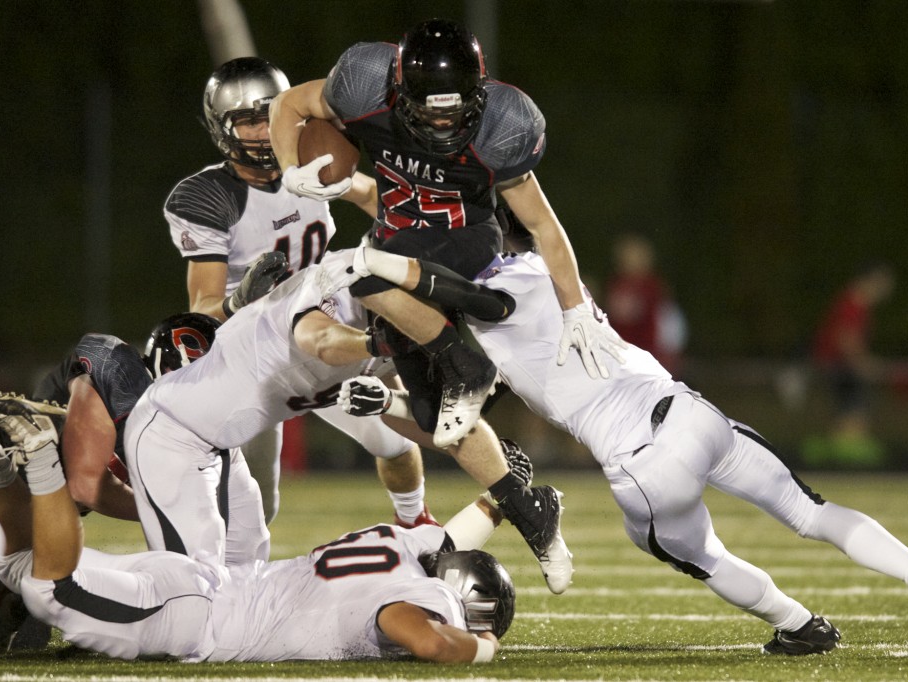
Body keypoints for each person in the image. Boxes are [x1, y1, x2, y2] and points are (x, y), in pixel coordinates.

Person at [338, 246, 908, 655]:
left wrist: (377, 275)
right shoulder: (545, 272)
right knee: (813, 512)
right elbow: (467, 418)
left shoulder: (496, 301)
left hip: (645, 466)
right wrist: (395, 401)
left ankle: (800, 624)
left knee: (706, 557)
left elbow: (459, 321)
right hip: (693, 413)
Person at [268, 18, 626, 451]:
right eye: (428, 112)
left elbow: (541, 224)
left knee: (363, 272)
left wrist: (576, 308)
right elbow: (287, 104)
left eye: (452, 112)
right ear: (398, 92)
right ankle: (481, 372)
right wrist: (290, 168)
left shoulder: (503, 124)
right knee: (430, 417)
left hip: (465, 237)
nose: (441, 124)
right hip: (396, 241)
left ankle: (474, 348)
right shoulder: (364, 85)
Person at [123, 249, 572, 593]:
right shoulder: (342, 278)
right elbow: (318, 339)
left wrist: (509, 491)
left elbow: (443, 427)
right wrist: (378, 344)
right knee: (190, 593)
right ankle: (68, 597)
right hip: (174, 431)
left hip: (223, 444)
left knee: (243, 583)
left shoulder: (392, 330)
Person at [0, 403, 524, 663]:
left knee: (19, 569)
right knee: (51, 585)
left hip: (208, 581)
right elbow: (427, 637)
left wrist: (501, 502)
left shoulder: (403, 544)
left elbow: (450, 541)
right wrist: (483, 646)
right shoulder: (423, 596)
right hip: (194, 619)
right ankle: (38, 456)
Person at [165, 56, 430, 528]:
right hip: (254, 353)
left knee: (396, 439)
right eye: (248, 121)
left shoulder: (305, 166)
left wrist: (365, 195)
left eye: (270, 117)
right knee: (257, 502)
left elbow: (381, 202)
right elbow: (201, 312)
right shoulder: (207, 196)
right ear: (221, 128)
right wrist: (240, 298)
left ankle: (417, 525)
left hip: (322, 326)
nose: (264, 131)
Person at [0, 312, 219, 654]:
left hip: (26, 497)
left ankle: (19, 599)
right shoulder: (120, 377)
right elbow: (88, 485)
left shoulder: (161, 415)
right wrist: (165, 509)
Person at [807, 261, 896, 468]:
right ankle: (844, 460)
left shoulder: (855, 304)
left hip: (838, 365)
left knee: (849, 411)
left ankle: (839, 454)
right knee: (854, 412)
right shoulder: (854, 304)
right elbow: (846, 339)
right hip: (840, 366)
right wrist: (865, 364)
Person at [605, 233, 687, 375]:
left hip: (648, 353)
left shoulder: (653, 286)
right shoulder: (616, 284)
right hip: (620, 354)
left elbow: (669, 321)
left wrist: (669, 354)